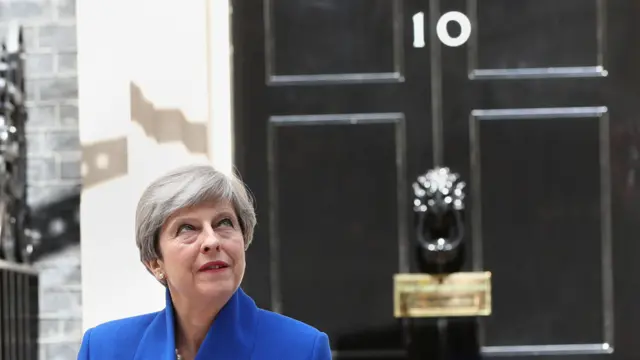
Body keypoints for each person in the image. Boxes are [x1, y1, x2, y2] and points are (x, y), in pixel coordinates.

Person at [77, 164, 332, 360]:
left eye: (224, 223)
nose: (211, 241)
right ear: (155, 263)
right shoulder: (103, 349)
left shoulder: (301, 349)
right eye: (187, 228)